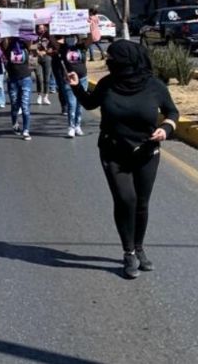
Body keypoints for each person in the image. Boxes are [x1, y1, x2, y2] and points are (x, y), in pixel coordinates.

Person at [68, 40, 178, 279]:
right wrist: (76, 87)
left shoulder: (154, 85)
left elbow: (172, 111)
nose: (109, 62)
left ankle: (139, 248)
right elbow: (90, 102)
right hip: (113, 151)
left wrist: (166, 129)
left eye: (113, 58)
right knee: (125, 200)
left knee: (141, 203)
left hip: (147, 152)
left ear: (128, 61)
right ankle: (128, 253)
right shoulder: (108, 84)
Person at [54, 34, 90, 138]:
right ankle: (71, 127)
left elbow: (91, 39)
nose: (70, 39)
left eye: (72, 37)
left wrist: (92, 26)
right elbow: (52, 40)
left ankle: (78, 125)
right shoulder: (62, 48)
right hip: (69, 80)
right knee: (71, 104)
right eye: (68, 37)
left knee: (80, 104)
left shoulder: (82, 47)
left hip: (82, 79)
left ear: (76, 38)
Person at [3, 38, 34, 140]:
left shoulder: (25, 45)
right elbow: (5, 43)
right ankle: (15, 124)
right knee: (15, 105)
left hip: (25, 78)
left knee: (25, 105)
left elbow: (30, 41)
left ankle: (26, 130)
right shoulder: (8, 46)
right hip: (13, 80)